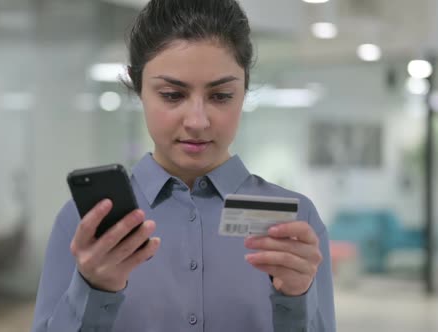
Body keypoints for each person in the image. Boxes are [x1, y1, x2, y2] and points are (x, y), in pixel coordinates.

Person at [32, 0, 335, 331]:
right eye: (172, 95)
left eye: (220, 96)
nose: (197, 121)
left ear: (244, 90)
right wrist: (92, 289)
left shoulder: (294, 223)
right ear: (138, 89)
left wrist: (296, 299)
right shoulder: (86, 224)